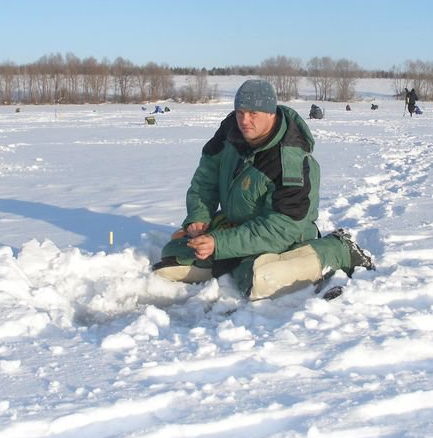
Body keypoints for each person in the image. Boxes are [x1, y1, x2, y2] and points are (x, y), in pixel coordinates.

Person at [153, 79, 373, 300]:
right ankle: (232, 259)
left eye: (253, 113)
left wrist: (219, 244)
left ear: (271, 113)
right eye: (239, 112)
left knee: (261, 279)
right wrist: (199, 216)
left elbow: (280, 229)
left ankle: (339, 251)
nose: (244, 120)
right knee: (173, 258)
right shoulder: (230, 130)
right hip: (234, 226)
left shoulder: (290, 160)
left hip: (282, 238)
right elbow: (205, 179)